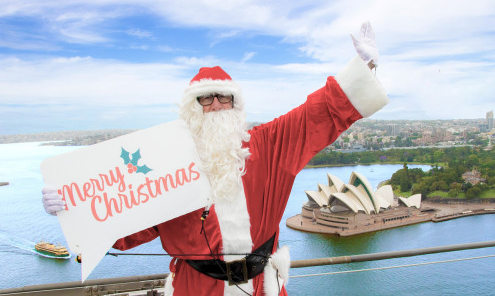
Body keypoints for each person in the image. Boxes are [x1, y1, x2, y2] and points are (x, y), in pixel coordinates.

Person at [42, 22, 388, 296]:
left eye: (224, 96)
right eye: (205, 99)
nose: (216, 105)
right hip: (196, 289)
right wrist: (74, 209)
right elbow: (125, 219)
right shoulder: (166, 167)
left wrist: (364, 66)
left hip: (261, 287)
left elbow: (318, 113)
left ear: (235, 103)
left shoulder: (268, 144)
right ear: (192, 109)